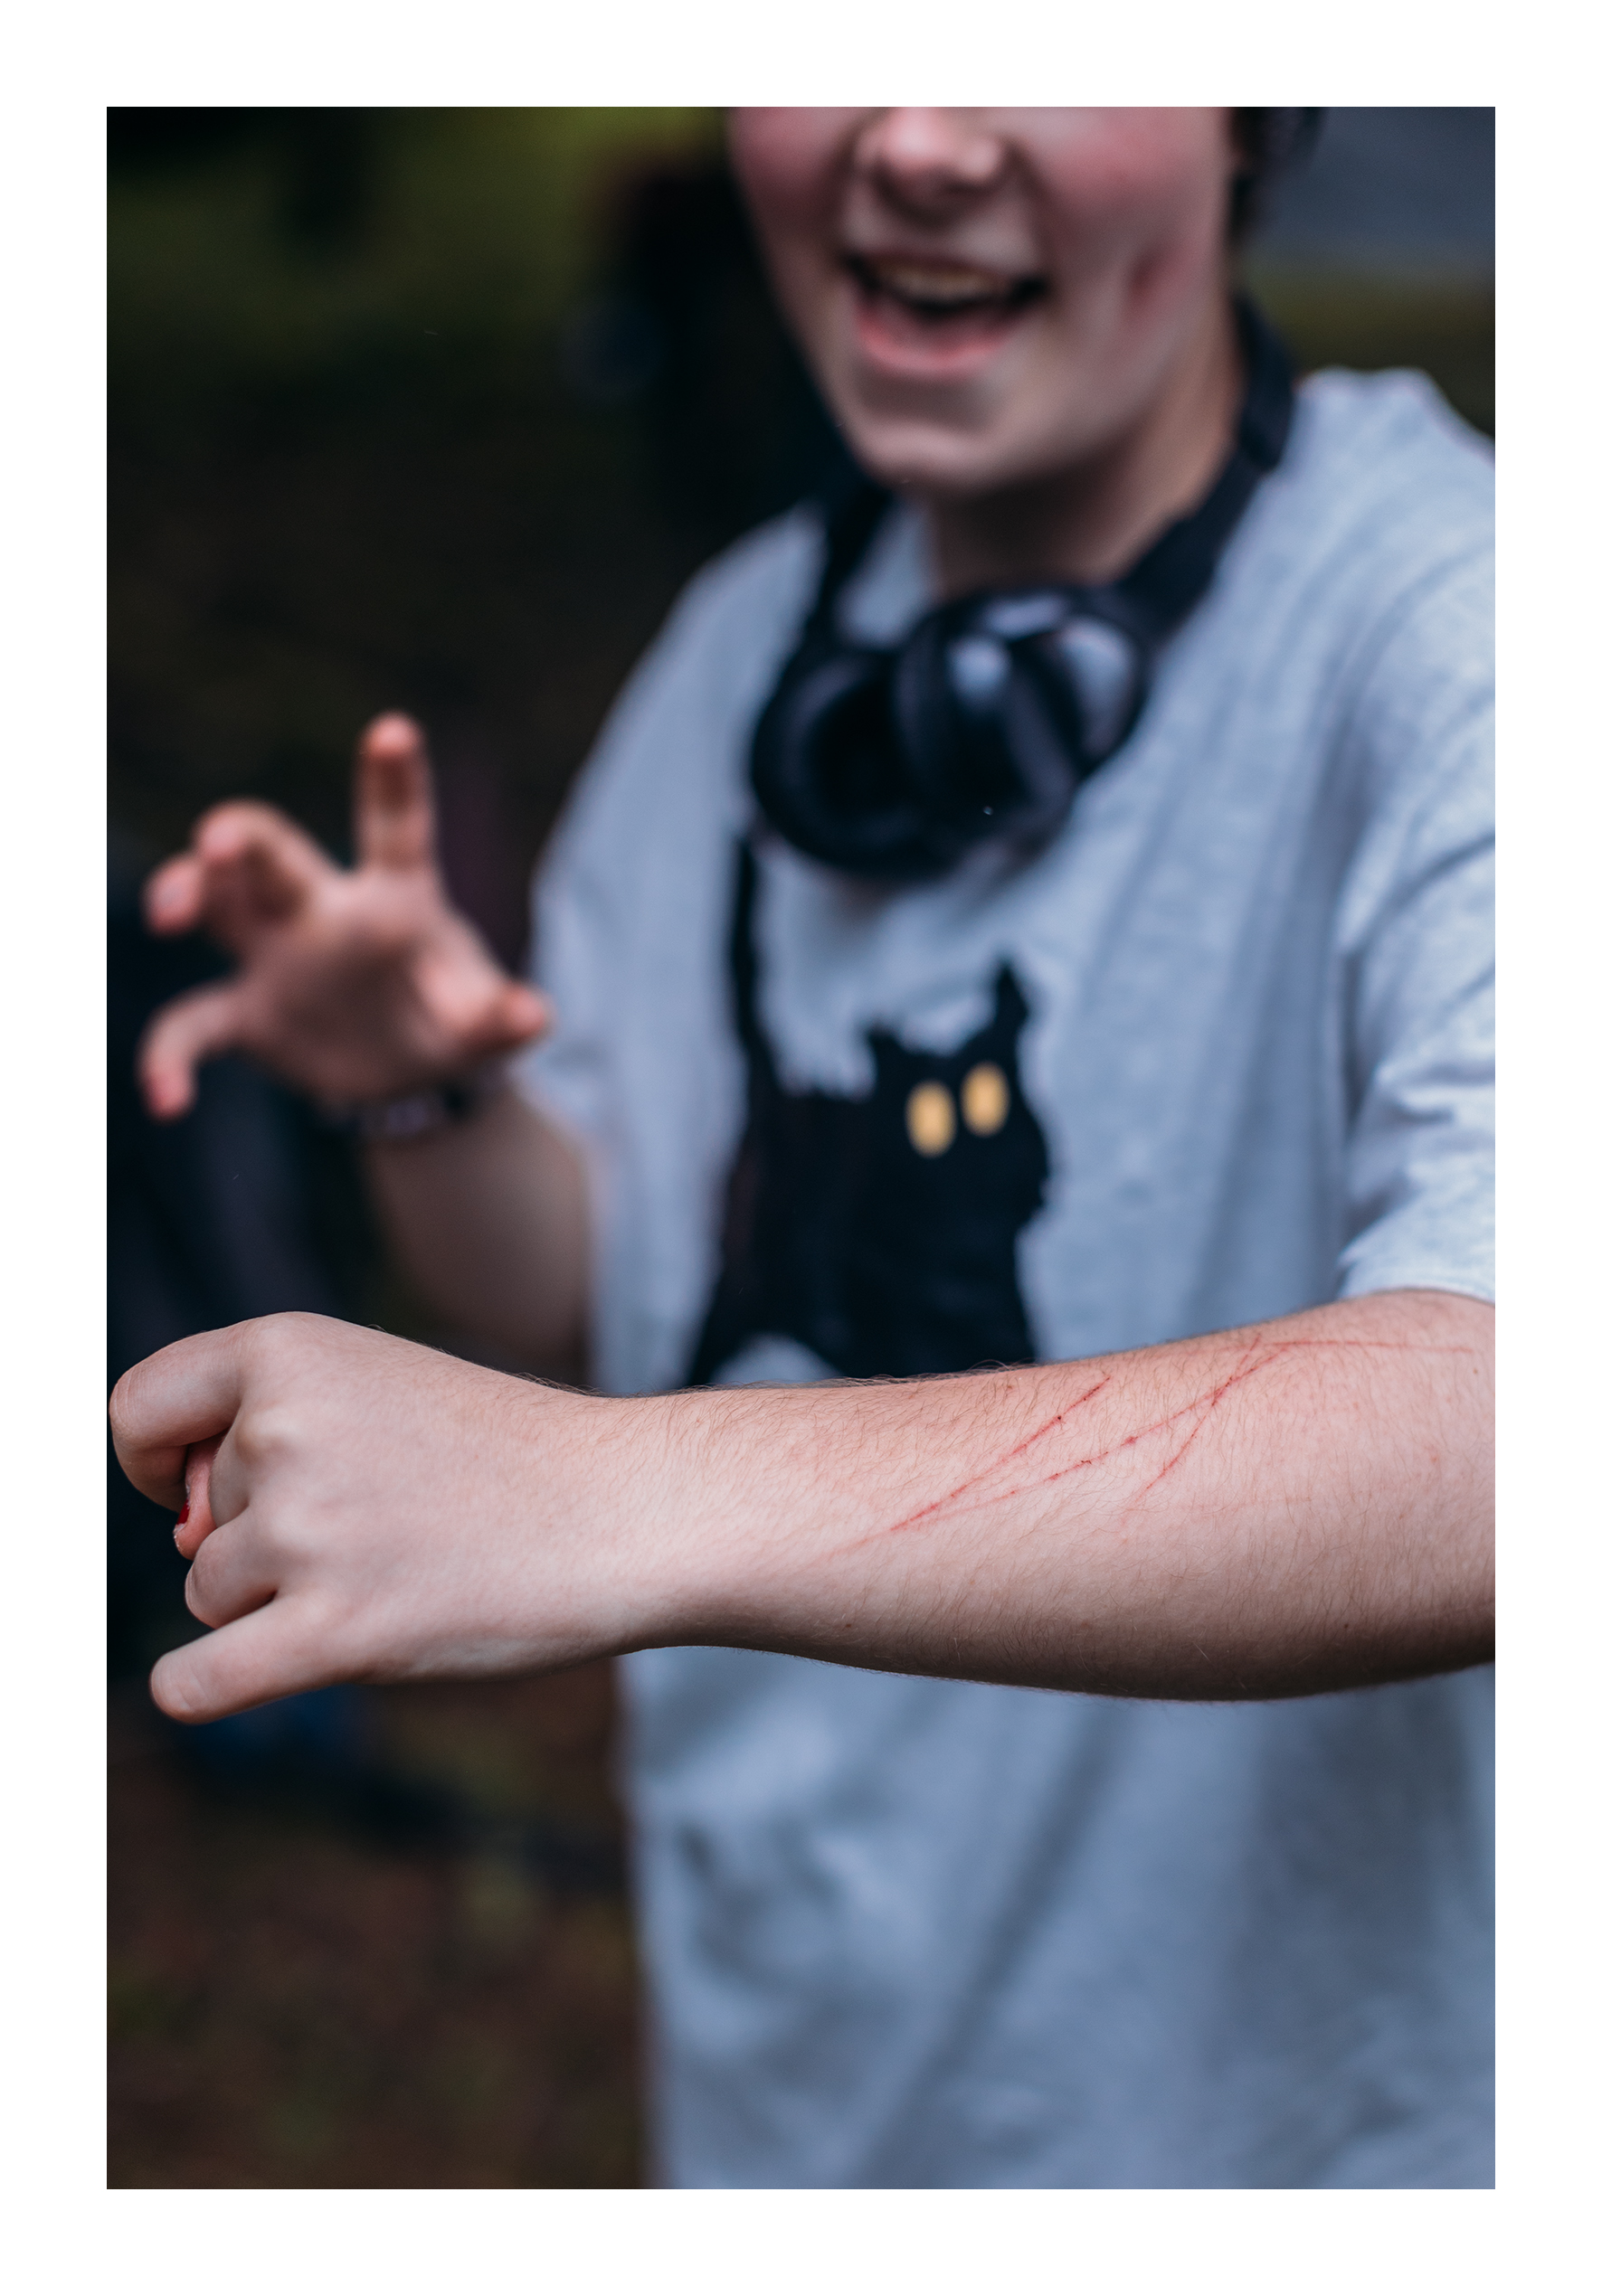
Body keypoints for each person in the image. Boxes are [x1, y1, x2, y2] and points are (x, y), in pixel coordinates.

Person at [110, 109, 1493, 2188]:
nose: (913, 136)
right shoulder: (743, 649)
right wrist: (417, 1088)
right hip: (793, 2099)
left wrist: (599, 1496)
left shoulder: (1467, 624)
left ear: (1254, 116)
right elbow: (587, 1290)